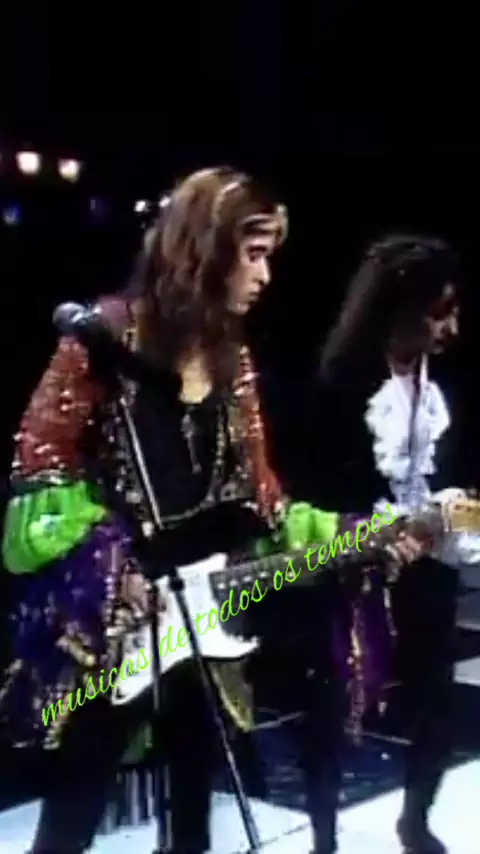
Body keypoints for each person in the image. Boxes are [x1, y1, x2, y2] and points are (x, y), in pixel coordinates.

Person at [0, 172, 424, 854]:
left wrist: (357, 537)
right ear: (204, 249)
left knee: (194, 799)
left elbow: (262, 502)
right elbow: (38, 482)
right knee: (74, 809)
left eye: (269, 256)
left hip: (199, 613)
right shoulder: (103, 341)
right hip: (115, 622)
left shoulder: (233, 361)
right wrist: (110, 567)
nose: (265, 276)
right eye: (253, 254)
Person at [315, 234, 463, 854]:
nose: (452, 327)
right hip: (354, 560)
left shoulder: (444, 383)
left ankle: (415, 820)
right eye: (439, 312)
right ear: (400, 309)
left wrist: (442, 518)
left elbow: (454, 472)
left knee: (437, 702)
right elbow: (322, 489)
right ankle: (324, 839)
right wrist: (375, 535)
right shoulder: (342, 386)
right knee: (336, 708)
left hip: (428, 558)